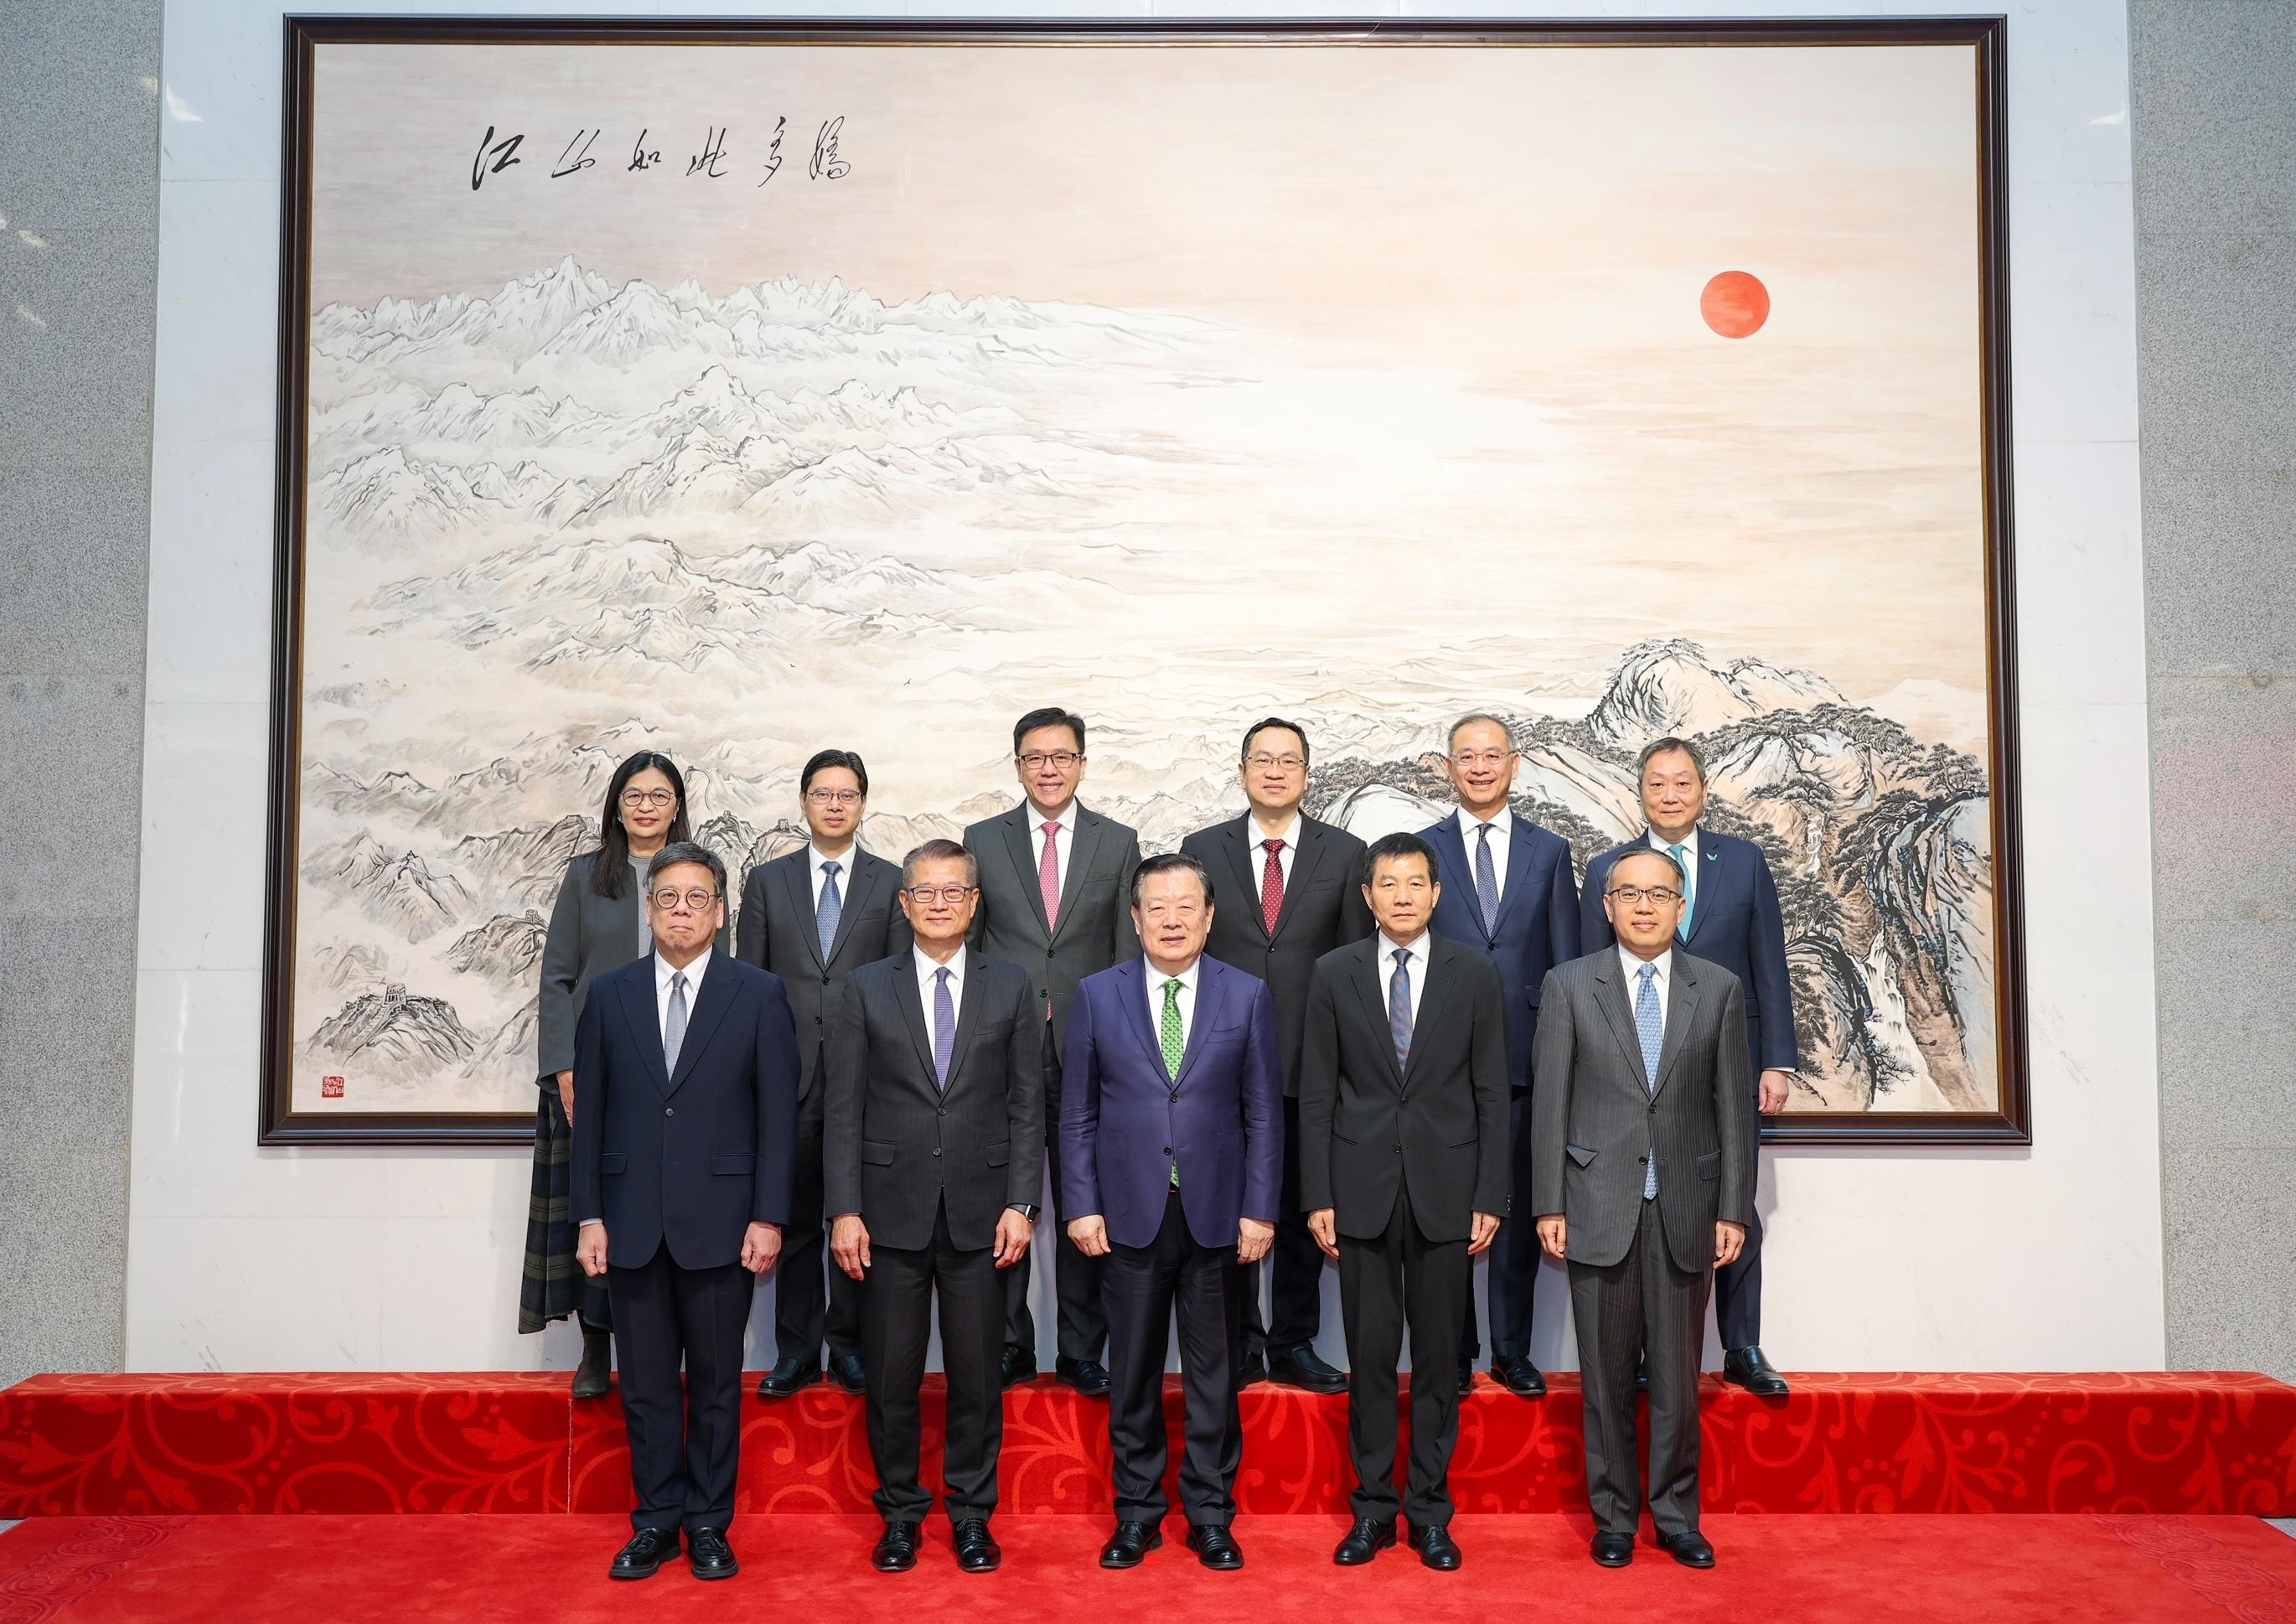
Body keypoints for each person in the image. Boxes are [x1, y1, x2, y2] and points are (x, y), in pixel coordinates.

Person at [571, 842, 801, 1582]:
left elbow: (778, 1120)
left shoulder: (758, 992)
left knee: (712, 1385)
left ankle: (708, 1523)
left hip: (723, 1225)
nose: (681, 910)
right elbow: (592, 1120)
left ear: (720, 910)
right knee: (642, 1388)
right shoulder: (609, 995)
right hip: (630, 1224)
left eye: (696, 897)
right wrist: (589, 1218)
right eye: (667, 897)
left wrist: (769, 1217)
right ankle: (655, 1522)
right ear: (649, 909)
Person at [1533, 847, 1756, 1570]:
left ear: (1681, 904)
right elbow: (1550, 1105)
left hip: (1687, 1208)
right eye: (1628, 893)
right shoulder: (1570, 985)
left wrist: (1733, 1208)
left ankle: (1676, 1514)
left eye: (1659, 894)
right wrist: (1548, 1202)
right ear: (1606, 904)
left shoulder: (1718, 989)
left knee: (1675, 1380)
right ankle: (1614, 1519)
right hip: (1596, 1203)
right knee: (1602, 1378)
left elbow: (1733, 1111)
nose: (1644, 907)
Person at [823, 840, 1042, 1575]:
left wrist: (1022, 1200)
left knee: (979, 1377)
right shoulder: (862, 989)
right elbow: (843, 1110)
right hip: (886, 1216)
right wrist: (844, 1210)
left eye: (955, 891)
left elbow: (1025, 1105)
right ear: (904, 903)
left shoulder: (1011, 986)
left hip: (985, 1215)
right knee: (890, 1377)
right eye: (926, 891)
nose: (940, 903)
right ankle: (901, 1515)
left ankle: (973, 1516)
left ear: (976, 903)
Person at [1061, 854, 1281, 1572]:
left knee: (1216, 1375)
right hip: (1127, 1215)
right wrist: (1081, 1204)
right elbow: (1077, 1115)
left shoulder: (1246, 994)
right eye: (1157, 907)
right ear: (1135, 918)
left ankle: (1212, 1516)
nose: (1173, 919)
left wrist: (1260, 1208)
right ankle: (1137, 1514)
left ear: (1210, 916)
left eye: (1187, 906)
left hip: (1219, 1215)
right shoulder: (1097, 994)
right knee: (1132, 1373)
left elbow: (1262, 1115)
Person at [1298, 831, 1509, 1573]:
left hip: (1448, 1195)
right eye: (1388, 884)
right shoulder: (1334, 973)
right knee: (1371, 1359)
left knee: (1439, 1364)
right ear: (1368, 895)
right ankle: (1373, 1510)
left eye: (1416, 883)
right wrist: (1317, 1193)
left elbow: (1491, 1092)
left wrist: (1492, 1192)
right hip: (1358, 1194)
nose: (1403, 896)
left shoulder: (1474, 972)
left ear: (1437, 892)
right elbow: (1318, 1092)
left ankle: (1430, 1514)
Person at [1580, 736, 1796, 1397]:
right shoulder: (1608, 870)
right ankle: (1646, 1351)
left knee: (1735, 1205)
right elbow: (1591, 979)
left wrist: (1777, 1060)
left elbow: (1769, 962)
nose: (1669, 795)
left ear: (1703, 792)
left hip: (1727, 1056)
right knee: (1643, 1209)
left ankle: (1742, 1344)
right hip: (1638, 1069)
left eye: (1682, 784)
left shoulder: (1744, 861)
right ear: (1639, 793)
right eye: (1656, 785)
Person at [1180, 716, 1369, 1394]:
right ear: (1242, 771)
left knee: (1298, 1209)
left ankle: (1292, 1341)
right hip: (1216, 1063)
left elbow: (1354, 966)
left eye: (1289, 760)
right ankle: (1235, 1344)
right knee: (1223, 1208)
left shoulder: (1346, 854)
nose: (1275, 770)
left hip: (1307, 1063)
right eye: (1262, 759)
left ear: (1307, 774)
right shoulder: (1202, 847)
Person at [963, 707, 1143, 1394]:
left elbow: (1128, 957)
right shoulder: (983, 838)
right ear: (1017, 765)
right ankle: (1010, 1344)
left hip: (1090, 1050)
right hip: (1000, 1052)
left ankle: (1080, 1349)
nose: (1049, 768)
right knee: (1001, 1201)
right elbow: (972, 953)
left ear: (1082, 764)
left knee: (1084, 1202)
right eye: (1035, 757)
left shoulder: (1117, 841)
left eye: (1062, 756)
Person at [737, 748, 913, 1400]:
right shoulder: (767, 882)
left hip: (867, 1081)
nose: (834, 804)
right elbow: (746, 984)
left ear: (864, 804)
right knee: (797, 1218)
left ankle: (851, 1348)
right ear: (804, 803)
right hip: (786, 1077)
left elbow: (900, 987)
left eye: (846, 794)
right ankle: (796, 1352)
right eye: (822, 793)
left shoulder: (891, 881)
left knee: (856, 1220)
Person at [1418, 713, 1580, 1399]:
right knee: (1448, 1214)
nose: (1480, 767)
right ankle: (1453, 1351)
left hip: (1525, 1061)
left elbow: (1569, 963)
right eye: (1466, 757)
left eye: (1492, 756)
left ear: (1515, 766)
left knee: (1514, 1213)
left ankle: (1512, 1350)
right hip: (1439, 1065)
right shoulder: (1419, 851)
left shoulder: (1550, 851)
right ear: (1446, 767)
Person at [528, 750, 694, 1397]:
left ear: (677, 806)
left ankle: (662, 1344)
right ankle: (595, 1345)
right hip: (595, 1072)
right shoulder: (584, 876)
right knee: (593, 1206)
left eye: (659, 795)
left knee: (662, 1205)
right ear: (617, 805)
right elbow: (558, 977)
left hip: (676, 1073)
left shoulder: (698, 874)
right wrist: (565, 1067)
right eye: (634, 795)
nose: (646, 806)